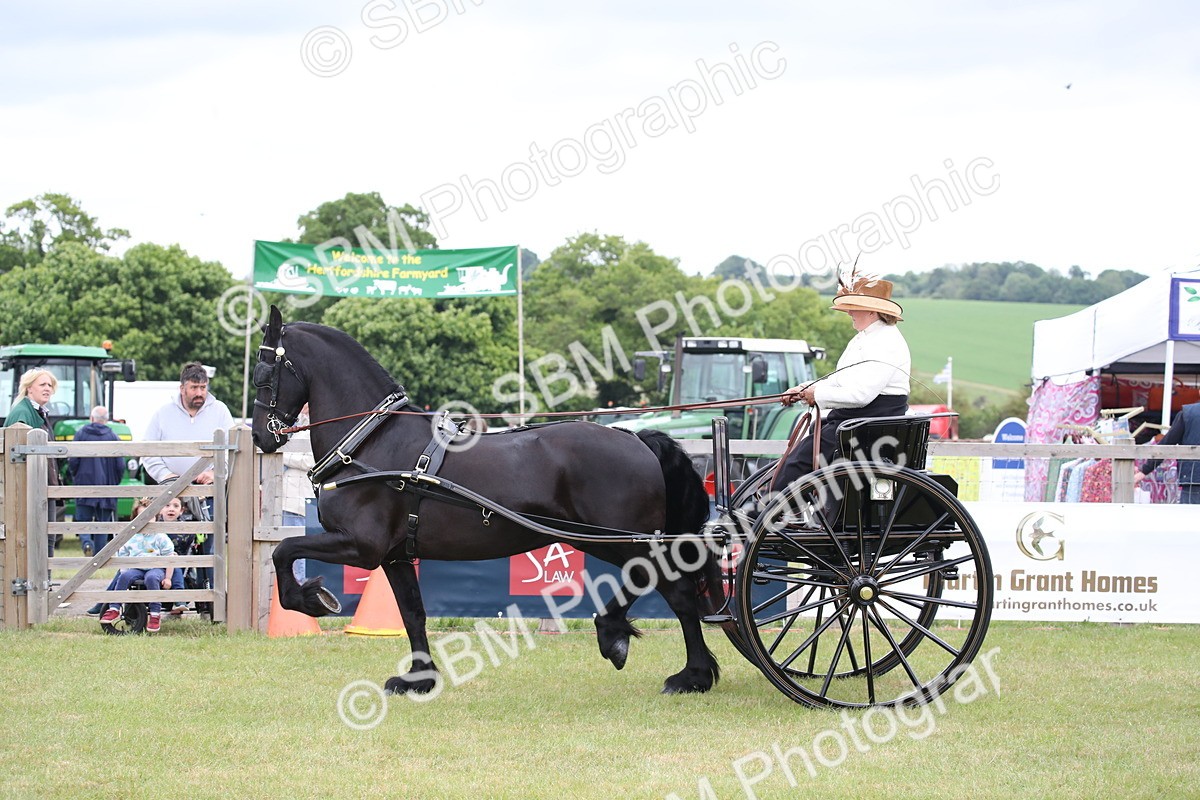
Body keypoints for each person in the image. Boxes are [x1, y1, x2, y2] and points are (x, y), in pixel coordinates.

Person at [770, 274, 911, 493]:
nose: (849, 312)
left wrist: (816, 394)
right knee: (803, 450)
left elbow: (860, 396)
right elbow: (839, 379)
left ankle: (769, 509)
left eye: (854, 307)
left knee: (801, 461)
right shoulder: (865, 338)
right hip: (854, 422)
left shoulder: (886, 342)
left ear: (872, 310)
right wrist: (803, 389)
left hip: (867, 425)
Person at [141, 362, 234, 598]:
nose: (200, 393)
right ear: (182, 388)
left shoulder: (220, 411)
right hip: (171, 495)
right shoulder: (163, 413)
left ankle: (212, 600)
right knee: (169, 545)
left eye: (203, 387)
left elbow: (232, 451)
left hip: (208, 494)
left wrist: (216, 473)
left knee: (211, 548)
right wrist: (167, 477)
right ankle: (170, 597)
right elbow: (147, 452)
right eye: (194, 387)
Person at [4, 369, 63, 568]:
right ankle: (40, 592)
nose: (48, 389)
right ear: (29, 388)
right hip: (31, 490)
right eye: (42, 385)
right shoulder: (22, 413)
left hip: (43, 487)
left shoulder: (39, 412)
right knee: (37, 540)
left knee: (46, 538)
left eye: (50, 385)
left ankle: (45, 592)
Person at [98, 497, 176, 634]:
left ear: (156, 517)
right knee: (125, 576)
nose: (146, 520)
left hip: (156, 568)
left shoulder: (160, 537)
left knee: (151, 578)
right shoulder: (131, 536)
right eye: (141, 517)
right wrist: (123, 570)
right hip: (137, 568)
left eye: (149, 516)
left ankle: (155, 614)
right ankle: (114, 608)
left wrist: (168, 577)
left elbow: (170, 557)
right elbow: (123, 554)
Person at [68, 406, 126, 557]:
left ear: (91, 418)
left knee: (83, 519)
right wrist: (115, 482)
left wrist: (76, 476)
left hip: (85, 483)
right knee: (102, 522)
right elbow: (120, 465)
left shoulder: (81, 434)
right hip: (107, 486)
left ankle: (87, 542)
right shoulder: (113, 436)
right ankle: (99, 556)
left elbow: (73, 460)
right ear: (106, 420)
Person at [1135, 401, 1200, 504]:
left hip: (1194, 479)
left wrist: (1145, 470)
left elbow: (1167, 444)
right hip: (1194, 478)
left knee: (1191, 519)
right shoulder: (1187, 413)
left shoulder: (1188, 413)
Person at [281, 404, 314, 582]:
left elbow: (310, 461)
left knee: (296, 546)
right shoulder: (299, 430)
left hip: (297, 499)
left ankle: (298, 585)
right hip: (287, 498)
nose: (301, 409)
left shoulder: (313, 431)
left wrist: (282, 455)